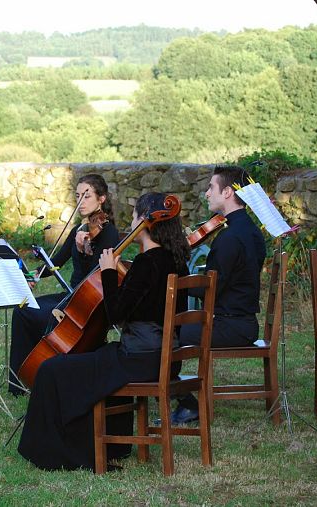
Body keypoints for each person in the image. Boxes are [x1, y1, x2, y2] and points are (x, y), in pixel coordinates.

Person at [17, 192, 191, 471]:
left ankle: (59, 452)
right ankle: (111, 444)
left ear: (146, 222)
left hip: (140, 358)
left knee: (51, 370)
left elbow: (116, 314)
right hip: (164, 358)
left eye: (135, 216)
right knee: (94, 358)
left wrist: (109, 272)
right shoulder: (176, 260)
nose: (131, 222)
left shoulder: (147, 263)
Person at [170, 165, 267, 424]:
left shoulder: (229, 238)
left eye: (211, 187)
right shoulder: (251, 231)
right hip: (242, 322)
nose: (206, 193)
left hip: (229, 325)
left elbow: (206, 290)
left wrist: (176, 276)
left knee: (163, 332)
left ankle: (186, 402)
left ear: (227, 192)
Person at [8, 174, 119, 395]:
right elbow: (56, 262)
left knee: (46, 317)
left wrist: (84, 252)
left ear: (102, 199)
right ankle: (19, 381)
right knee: (23, 311)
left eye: (87, 196)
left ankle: (47, 377)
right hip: (69, 297)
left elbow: (97, 277)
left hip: (87, 302)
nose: (81, 201)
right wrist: (33, 275)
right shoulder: (80, 229)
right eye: (78, 196)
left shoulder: (108, 233)